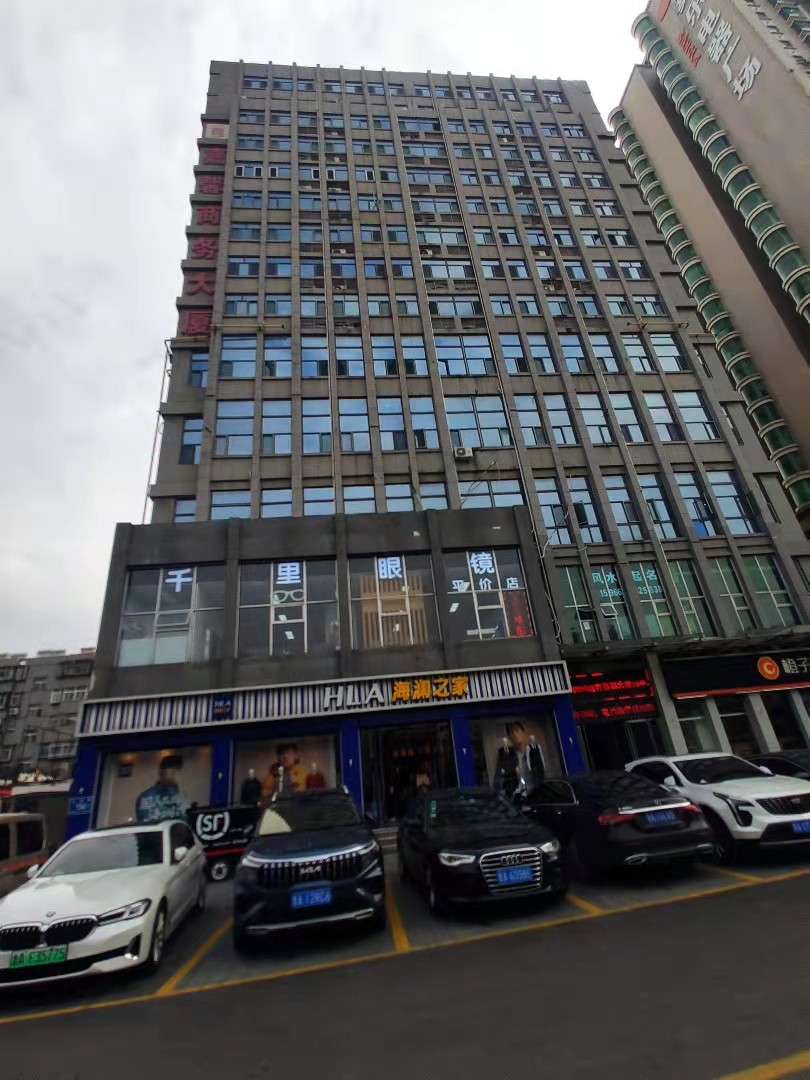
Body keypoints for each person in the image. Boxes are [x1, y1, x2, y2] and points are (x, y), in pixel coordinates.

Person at [135, 755, 188, 823]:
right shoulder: (146, 797)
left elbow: (185, 820)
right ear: (161, 772)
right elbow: (145, 824)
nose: (176, 775)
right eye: (172, 771)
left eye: (178, 771)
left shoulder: (181, 796)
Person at [510, 722, 545, 794]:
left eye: (517, 730)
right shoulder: (513, 757)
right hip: (522, 793)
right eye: (512, 733)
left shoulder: (533, 752)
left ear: (523, 733)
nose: (515, 734)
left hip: (536, 792)